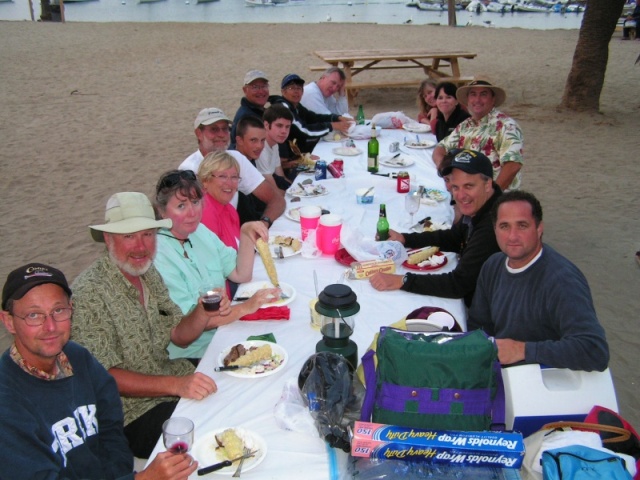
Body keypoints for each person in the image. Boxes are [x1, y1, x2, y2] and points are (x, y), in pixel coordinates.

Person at [0, 263, 197, 479]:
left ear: (71, 309)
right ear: (9, 321)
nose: (50, 326)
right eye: (34, 315)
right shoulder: (8, 401)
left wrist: (119, 474)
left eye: (58, 310)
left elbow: (111, 424)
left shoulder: (77, 357)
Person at [71, 192, 230, 459]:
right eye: (129, 236)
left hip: (167, 374)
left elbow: (179, 335)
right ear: (108, 239)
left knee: (231, 382)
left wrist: (202, 311)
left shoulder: (147, 272)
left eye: (148, 235)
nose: (141, 246)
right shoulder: (88, 294)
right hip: (129, 413)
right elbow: (106, 376)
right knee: (210, 435)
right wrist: (177, 385)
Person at [468, 191, 610, 371]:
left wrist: (523, 350)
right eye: (504, 226)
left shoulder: (561, 280)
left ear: (539, 228)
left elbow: (595, 351)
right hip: (501, 375)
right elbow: (478, 326)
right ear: (494, 229)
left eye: (522, 225)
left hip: (545, 379)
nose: (512, 236)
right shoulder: (492, 266)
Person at [154, 170, 280, 361]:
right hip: (195, 354)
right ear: (162, 212)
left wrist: (246, 234)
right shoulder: (159, 255)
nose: (192, 212)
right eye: (181, 206)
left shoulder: (200, 232)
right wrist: (246, 307)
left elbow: (240, 274)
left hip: (224, 333)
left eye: (195, 202)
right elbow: (188, 324)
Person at [369, 149, 501, 307]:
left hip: (485, 312)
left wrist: (402, 280)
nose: (460, 195)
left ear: (488, 184)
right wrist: (405, 238)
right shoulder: (482, 205)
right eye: (455, 187)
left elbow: (458, 284)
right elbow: (455, 237)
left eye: (469, 186)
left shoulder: (494, 225)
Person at [179, 107, 285, 229]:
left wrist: (263, 223)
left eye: (225, 129)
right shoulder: (189, 170)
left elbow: (276, 200)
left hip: (233, 229)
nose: (221, 134)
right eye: (214, 129)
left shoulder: (236, 158)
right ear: (199, 133)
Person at [432, 80, 524, 191]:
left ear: (493, 99)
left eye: (483, 94)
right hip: (468, 193)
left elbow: (513, 165)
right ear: (468, 100)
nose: (477, 100)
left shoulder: (506, 126)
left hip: (497, 197)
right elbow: (440, 148)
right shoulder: (465, 126)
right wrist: (445, 170)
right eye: (473, 94)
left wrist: (492, 194)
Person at [271, 73, 353, 158]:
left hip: (298, 149)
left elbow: (313, 117)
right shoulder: (284, 108)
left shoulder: (296, 106)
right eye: (291, 88)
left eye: (299, 88)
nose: (296, 91)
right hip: (287, 156)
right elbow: (303, 130)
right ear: (283, 92)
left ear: (302, 91)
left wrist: (337, 118)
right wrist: (331, 126)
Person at [199, 151, 243, 250]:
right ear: (205, 180)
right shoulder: (205, 212)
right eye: (222, 176)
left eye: (234, 177)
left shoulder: (229, 209)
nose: (229, 183)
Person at [230, 69, 270, 148]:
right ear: (245, 90)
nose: (261, 91)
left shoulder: (260, 112)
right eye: (255, 87)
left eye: (264, 86)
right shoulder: (247, 117)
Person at [259, 104, 294, 191]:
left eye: (287, 127)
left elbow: (281, 176)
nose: (284, 131)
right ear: (266, 125)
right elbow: (273, 190)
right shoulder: (260, 148)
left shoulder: (274, 144)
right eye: (279, 126)